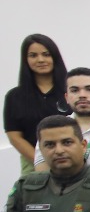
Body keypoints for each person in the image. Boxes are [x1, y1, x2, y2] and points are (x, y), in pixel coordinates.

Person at [5, 34, 69, 173]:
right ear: (25, 59)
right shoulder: (15, 96)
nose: (40, 60)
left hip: (73, 163)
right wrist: (41, 161)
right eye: (33, 55)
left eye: (46, 54)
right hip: (34, 165)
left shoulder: (71, 90)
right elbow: (15, 137)